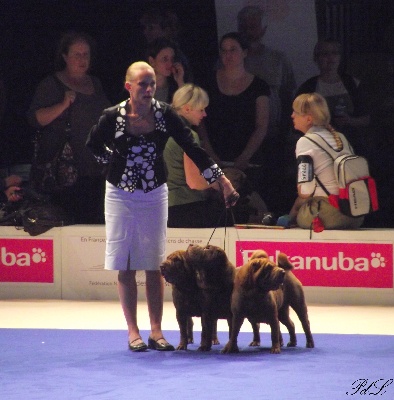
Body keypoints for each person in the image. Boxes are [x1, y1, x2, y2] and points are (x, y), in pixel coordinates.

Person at [86, 61, 239, 352]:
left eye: (152, 83)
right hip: (119, 194)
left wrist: (223, 182)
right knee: (126, 264)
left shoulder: (165, 114)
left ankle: (156, 331)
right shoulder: (112, 116)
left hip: (155, 192)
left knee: (155, 263)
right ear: (128, 86)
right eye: (142, 84)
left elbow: (194, 149)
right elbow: (92, 145)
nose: (148, 89)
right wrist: (114, 164)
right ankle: (133, 332)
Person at [27, 31, 110, 224]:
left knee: (91, 225)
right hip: (63, 173)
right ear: (65, 56)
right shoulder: (51, 84)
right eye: (77, 54)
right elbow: (35, 119)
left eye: (86, 54)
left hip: (93, 170)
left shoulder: (95, 83)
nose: (82, 59)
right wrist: (63, 105)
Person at [199, 32, 271, 210]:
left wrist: (244, 158)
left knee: (247, 208)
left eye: (233, 50)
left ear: (245, 52)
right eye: (223, 50)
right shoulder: (207, 81)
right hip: (214, 155)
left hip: (248, 161)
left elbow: (261, 126)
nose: (228, 55)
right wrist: (210, 153)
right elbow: (199, 119)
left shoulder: (259, 86)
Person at [278, 92, 364, 230]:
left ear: (308, 119)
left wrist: (292, 214)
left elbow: (305, 191)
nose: (292, 115)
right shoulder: (341, 137)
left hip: (328, 215)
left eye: (296, 112)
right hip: (355, 214)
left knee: (300, 215)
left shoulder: (305, 141)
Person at [163, 83, 228, 227]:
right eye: (201, 110)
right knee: (232, 215)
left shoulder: (160, 132)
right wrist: (220, 184)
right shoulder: (188, 136)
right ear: (187, 109)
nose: (204, 114)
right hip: (186, 208)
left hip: (163, 209)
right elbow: (194, 182)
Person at [296, 38, 370, 156]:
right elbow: (298, 122)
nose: (330, 59)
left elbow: (367, 118)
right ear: (317, 58)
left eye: (334, 53)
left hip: (351, 146)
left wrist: (350, 121)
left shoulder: (352, 84)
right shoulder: (308, 87)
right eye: (325, 54)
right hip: (321, 149)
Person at [237, 5, 296, 138]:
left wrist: (286, 128)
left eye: (252, 27)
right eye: (243, 27)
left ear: (263, 29)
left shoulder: (278, 59)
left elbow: (288, 95)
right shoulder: (228, 59)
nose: (247, 32)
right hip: (239, 133)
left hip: (273, 133)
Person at [146, 37, 186, 103]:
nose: (170, 63)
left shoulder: (175, 86)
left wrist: (180, 81)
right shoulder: (141, 86)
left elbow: (190, 109)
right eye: (165, 59)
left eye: (172, 59)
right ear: (152, 61)